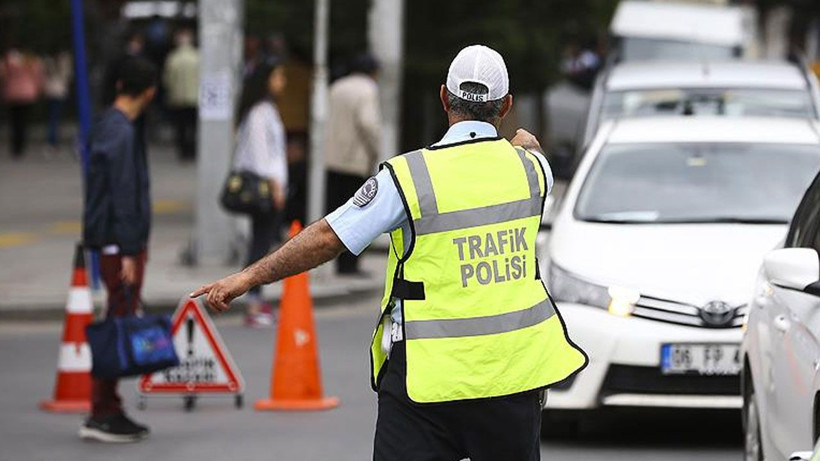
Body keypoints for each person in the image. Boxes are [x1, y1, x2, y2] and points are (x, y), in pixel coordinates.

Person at [192, 45, 588, 460]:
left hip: (425, 380)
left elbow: (329, 236)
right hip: (512, 378)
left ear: (442, 98)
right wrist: (525, 144)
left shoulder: (408, 177)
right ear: (506, 105)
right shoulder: (532, 171)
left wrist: (247, 278)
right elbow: (533, 151)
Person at [81, 57, 157, 443]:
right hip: (119, 245)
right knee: (118, 322)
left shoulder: (107, 124)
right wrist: (129, 251)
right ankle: (103, 411)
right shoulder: (122, 133)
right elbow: (123, 196)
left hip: (112, 241)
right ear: (149, 92)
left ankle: (107, 406)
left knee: (118, 317)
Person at [232, 59, 288, 328]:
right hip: (265, 188)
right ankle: (252, 301)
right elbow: (260, 155)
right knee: (260, 244)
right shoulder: (259, 112)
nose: (282, 82)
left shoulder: (266, 109)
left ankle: (256, 297)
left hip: (271, 186)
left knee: (262, 242)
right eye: (278, 76)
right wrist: (276, 186)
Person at [324, 53, 382, 275]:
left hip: (333, 158)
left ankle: (338, 261)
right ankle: (350, 264)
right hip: (355, 160)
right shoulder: (367, 89)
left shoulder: (337, 87)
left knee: (337, 212)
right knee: (358, 213)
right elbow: (368, 123)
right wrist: (375, 149)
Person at [163, 28, 199, 160]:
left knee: (181, 126)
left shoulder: (173, 58)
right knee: (193, 126)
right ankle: (192, 149)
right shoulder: (197, 57)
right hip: (195, 97)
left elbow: (168, 79)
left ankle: (183, 150)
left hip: (178, 97)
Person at [1, 47, 43, 158]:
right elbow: (37, 76)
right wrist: (38, 89)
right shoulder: (31, 62)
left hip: (12, 94)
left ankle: (15, 147)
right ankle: (21, 146)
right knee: (23, 122)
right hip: (27, 94)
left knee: (14, 122)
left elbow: (3, 75)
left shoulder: (8, 62)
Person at [43, 49, 73, 153]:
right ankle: (53, 140)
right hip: (59, 91)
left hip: (51, 91)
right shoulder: (64, 61)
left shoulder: (49, 61)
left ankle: (52, 140)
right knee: (56, 118)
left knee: (53, 117)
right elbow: (68, 75)